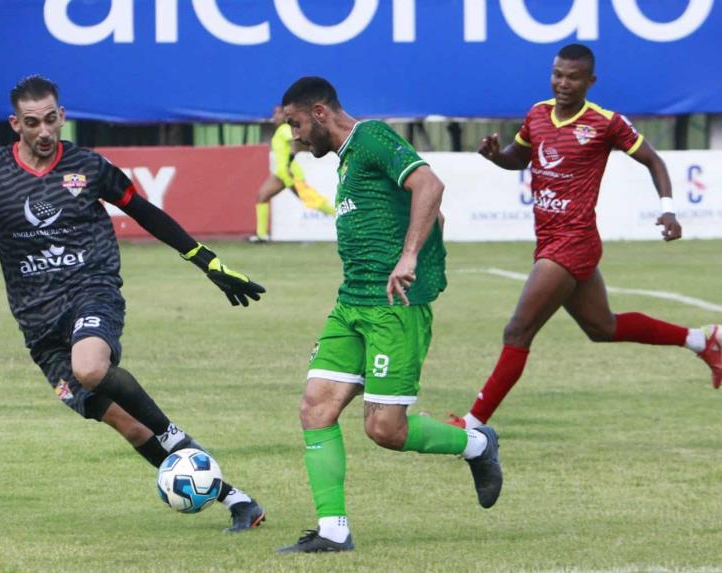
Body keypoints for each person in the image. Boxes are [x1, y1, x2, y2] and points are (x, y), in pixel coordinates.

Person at [0, 75, 268, 532]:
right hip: (38, 325)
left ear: (63, 116)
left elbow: (144, 211)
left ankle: (174, 434)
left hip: (91, 292)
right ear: (15, 123)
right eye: (33, 122)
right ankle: (239, 501)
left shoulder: (89, 166)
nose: (44, 131)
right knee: (130, 426)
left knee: (91, 368)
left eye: (51, 119)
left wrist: (208, 263)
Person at [274, 77, 502, 554]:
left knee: (384, 430)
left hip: (392, 309)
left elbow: (429, 184)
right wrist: (424, 233)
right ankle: (333, 530)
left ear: (319, 112)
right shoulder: (346, 161)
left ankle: (476, 444)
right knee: (315, 407)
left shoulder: (372, 137)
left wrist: (410, 256)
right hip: (350, 303)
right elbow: (429, 211)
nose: (294, 136)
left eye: (295, 123)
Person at [447, 44, 722, 431]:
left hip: (573, 242)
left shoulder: (605, 123)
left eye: (573, 77)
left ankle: (472, 424)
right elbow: (518, 158)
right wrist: (495, 155)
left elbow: (653, 161)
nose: (563, 83)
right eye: (558, 74)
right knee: (602, 328)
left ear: (590, 81)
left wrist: (668, 208)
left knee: (518, 330)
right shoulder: (538, 115)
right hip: (548, 241)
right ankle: (702, 339)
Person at [248, 105, 336, 243]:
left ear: (285, 116)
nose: (275, 117)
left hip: (290, 173)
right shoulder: (280, 131)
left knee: (311, 200)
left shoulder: (285, 129)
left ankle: (341, 214)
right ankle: (261, 236)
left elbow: (297, 141)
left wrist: (290, 160)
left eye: (278, 114)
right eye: (274, 113)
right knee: (262, 196)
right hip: (281, 174)